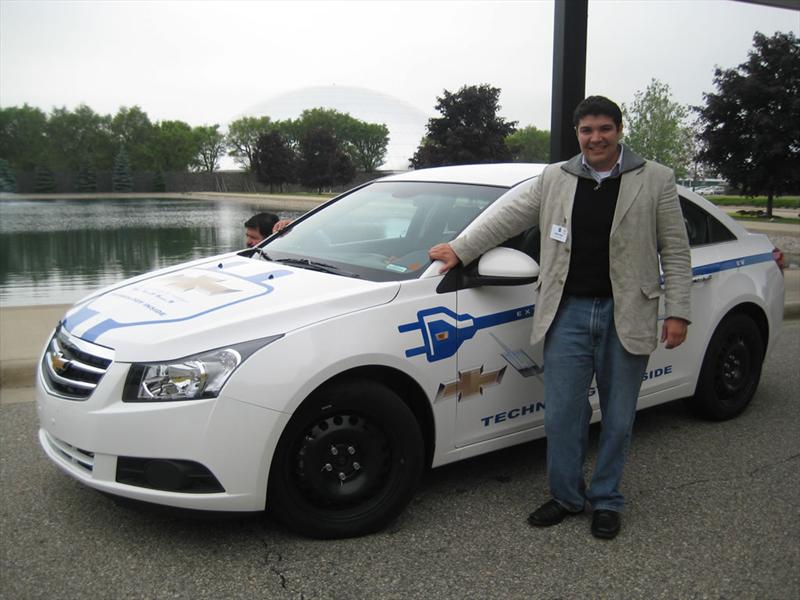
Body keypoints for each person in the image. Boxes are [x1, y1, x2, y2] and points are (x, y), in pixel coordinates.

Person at [428, 95, 691, 540]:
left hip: (627, 313)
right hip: (566, 312)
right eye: (587, 130)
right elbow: (509, 216)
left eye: (604, 129)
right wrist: (462, 248)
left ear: (618, 130)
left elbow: (676, 249)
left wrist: (679, 312)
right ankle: (567, 496)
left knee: (619, 416)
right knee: (562, 415)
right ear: (577, 134)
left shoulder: (656, 179)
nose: (596, 138)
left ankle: (606, 498)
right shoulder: (556, 177)